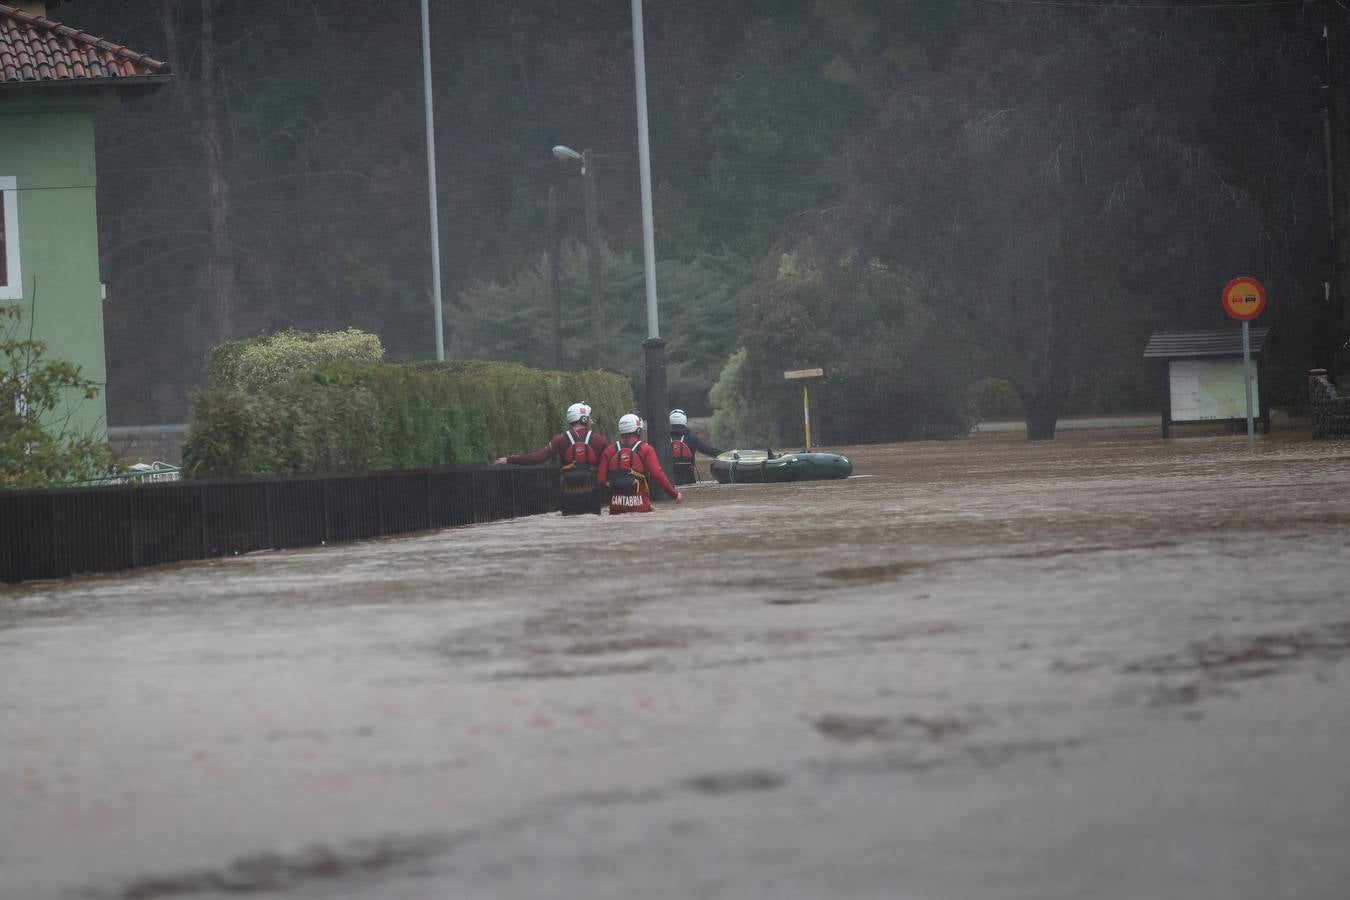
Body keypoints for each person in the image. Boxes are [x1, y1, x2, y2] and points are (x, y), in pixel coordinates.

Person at [495, 402, 610, 515]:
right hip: (592, 495)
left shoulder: (559, 440)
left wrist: (510, 459)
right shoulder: (599, 440)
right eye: (589, 418)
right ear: (583, 419)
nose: (592, 421)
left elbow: (537, 458)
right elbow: (612, 463)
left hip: (569, 495)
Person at [597, 413, 682, 513]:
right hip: (641, 506)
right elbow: (657, 474)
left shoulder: (609, 451)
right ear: (638, 430)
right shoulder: (646, 449)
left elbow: (601, 480)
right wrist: (674, 494)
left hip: (616, 507)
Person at [668, 408, 722, 486]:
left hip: (669, 481)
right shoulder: (692, 439)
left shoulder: (663, 439)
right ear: (684, 421)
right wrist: (726, 454)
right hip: (688, 480)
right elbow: (709, 450)